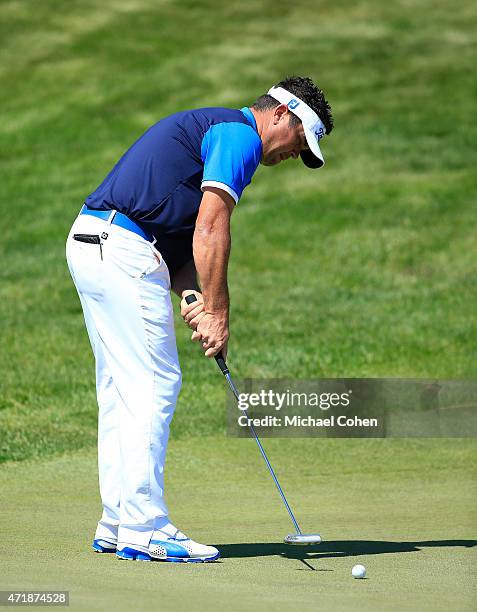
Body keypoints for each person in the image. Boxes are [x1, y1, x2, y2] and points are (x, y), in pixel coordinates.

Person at [66, 76, 333, 563]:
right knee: (152, 384)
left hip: (97, 241)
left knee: (122, 389)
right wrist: (218, 314)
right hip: (121, 249)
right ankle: (146, 528)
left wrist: (192, 295)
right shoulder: (239, 136)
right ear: (281, 114)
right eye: (301, 140)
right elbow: (211, 228)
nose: (297, 154)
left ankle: (120, 520)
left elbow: (182, 238)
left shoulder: (217, 132)